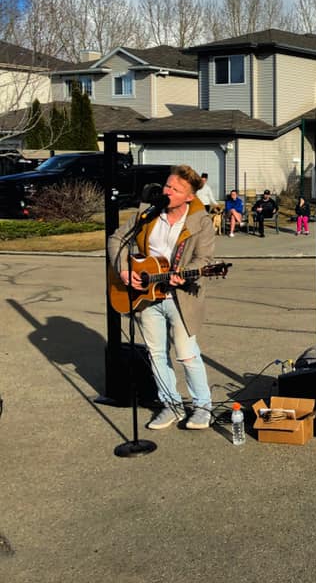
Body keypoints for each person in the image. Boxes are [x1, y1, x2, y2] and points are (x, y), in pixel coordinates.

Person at [106, 164, 215, 431]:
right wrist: (123, 269)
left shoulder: (200, 222)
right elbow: (116, 238)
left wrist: (186, 276)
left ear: (189, 196)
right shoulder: (148, 213)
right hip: (146, 295)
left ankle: (203, 407)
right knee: (156, 355)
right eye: (167, 185)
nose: (167, 191)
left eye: (175, 189)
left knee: (187, 354)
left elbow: (204, 260)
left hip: (181, 297)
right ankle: (171, 405)